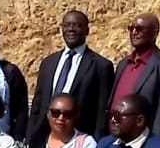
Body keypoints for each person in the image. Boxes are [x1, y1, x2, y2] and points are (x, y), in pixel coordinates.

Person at [29, 10, 115, 140]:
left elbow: (102, 111)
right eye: (67, 25)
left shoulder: (101, 66)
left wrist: (97, 144)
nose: (71, 29)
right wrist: (30, 137)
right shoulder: (48, 63)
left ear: (87, 30)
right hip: (44, 136)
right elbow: (38, 104)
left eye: (77, 25)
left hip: (79, 138)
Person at [111, 13, 160, 146]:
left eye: (139, 29)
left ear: (155, 33)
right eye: (131, 28)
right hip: (114, 140)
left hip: (142, 143)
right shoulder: (123, 64)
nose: (134, 32)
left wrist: (153, 146)